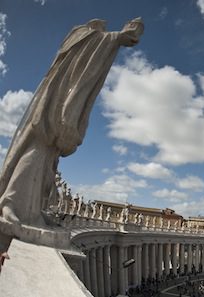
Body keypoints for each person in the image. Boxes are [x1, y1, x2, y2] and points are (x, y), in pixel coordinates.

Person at [0, 18, 143, 226]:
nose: (102, 30)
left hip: (63, 101)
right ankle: (11, 203)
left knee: (48, 157)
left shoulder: (91, 38)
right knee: (38, 147)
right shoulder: (83, 34)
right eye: (99, 28)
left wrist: (117, 38)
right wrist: (116, 37)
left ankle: (31, 211)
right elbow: (89, 51)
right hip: (56, 102)